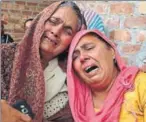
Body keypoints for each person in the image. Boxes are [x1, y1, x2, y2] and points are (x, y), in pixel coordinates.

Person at [1, 1, 86, 122]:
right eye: (53, 21)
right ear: (40, 21)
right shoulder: (4, 55)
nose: (56, 32)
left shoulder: (70, 81)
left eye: (67, 31)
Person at [67, 29, 146, 122]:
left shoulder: (140, 84)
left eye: (89, 48)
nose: (82, 57)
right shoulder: (77, 106)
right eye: (75, 57)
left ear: (112, 51)